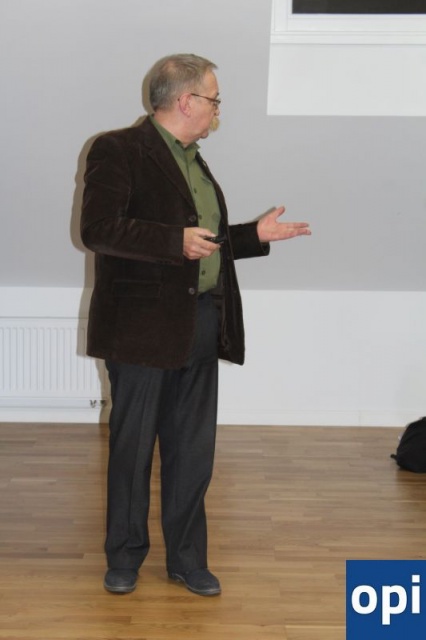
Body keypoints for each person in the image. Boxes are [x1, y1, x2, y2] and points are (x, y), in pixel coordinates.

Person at [80, 53, 311, 597]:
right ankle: (125, 557)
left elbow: (203, 242)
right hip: (140, 330)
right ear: (186, 101)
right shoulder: (118, 149)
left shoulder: (196, 162)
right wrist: (172, 242)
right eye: (213, 99)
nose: (217, 109)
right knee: (133, 450)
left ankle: (187, 559)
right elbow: (98, 229)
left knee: (192, 452)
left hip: (202, 321)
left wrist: (253, 236)